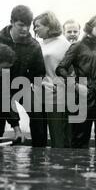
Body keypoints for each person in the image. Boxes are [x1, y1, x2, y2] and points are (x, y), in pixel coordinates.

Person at [0, 5, 47, 147]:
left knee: (37, 113)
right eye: (21, 25)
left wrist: (31, 84)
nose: (25, 29)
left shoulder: (34, 45)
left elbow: (39, 72)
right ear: (12, 22)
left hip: (21, 85)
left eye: (28, 25)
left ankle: (39, 153)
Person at [56, 13, 96, 149]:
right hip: (83, 94)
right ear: (90, 28)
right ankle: (79, 169)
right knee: (80, 138)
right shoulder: (78, 46)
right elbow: (60, 69)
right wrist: (76, 86)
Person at [33, 11, 71, 148]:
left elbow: (70, 70)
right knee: (40, 133)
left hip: (57, 93)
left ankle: (60, 164)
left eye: (38, 26)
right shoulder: (40, 44)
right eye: (34, 26)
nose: (35, 29)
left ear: (49, 26)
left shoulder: (63, 44)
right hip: (39, 92)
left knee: (58, 133)